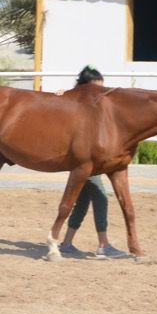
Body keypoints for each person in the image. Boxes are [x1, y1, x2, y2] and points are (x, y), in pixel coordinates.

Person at [55, 65, 128, 259]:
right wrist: (60, 95)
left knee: (83, 200)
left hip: (90, 159)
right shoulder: (71, 98)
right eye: (97, 88)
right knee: (100, 197)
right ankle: (103, 245)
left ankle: (67, 243)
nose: (100, 93)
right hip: (84, 160)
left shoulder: (97, 105)